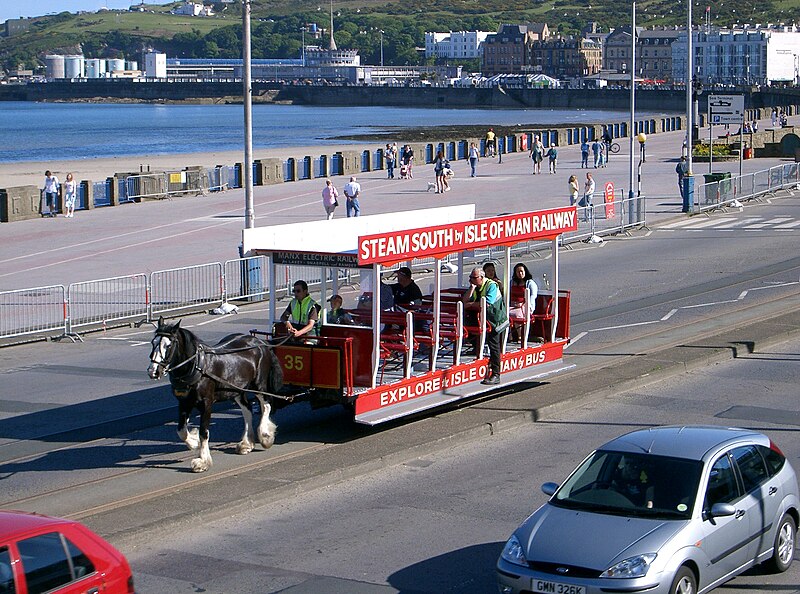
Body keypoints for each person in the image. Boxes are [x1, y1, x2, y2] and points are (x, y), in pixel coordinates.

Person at [462, 267, 507, 385]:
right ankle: (478, 349)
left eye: (473, 278)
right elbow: (464, 302)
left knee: (494, 345)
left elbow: (487, 303)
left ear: (481, 278)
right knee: (469, 328)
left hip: (495, 320)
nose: (471, 280)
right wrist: (471, 289)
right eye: (470, 278)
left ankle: (496, 374)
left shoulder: (491, 285)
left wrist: (471, 304)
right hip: (483, 319)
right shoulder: (474, 286)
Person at [508, 262, 538, 341]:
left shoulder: (530, 283)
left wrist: (527, 306)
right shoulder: (512, 282)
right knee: (504, 314)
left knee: (517, 314)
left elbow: (533, 296)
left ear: (525, 272)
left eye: (521, 271)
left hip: (525, 307)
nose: (520, 273)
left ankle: (520, 335)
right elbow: (507, 294)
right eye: (518, 272)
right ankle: (509, 335)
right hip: (512, 306)